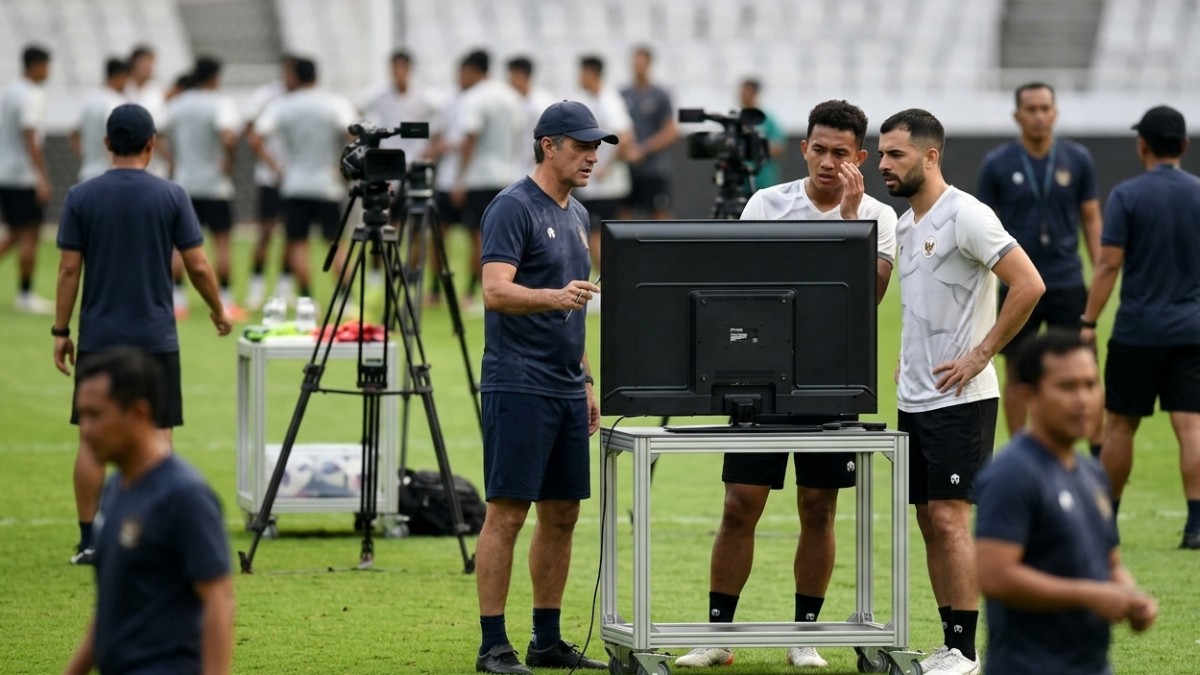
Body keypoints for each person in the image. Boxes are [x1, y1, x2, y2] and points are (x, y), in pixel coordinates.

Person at [674, 100, 896, 670]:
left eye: (840, 153)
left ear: (860, 158)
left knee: (818, 508)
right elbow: (745, 288)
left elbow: (867, 298)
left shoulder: (877, 215)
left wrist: (849, 223)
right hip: (762, 375)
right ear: (803, 148)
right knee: (739, 504)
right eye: (818, 149)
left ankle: (805, 634)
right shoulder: (766, 203)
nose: (827, 161)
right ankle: (717, 633)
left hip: (834, 379)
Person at [878, 108, 1044, 675]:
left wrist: (980, 354)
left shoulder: (968, 215)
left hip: (962, 399)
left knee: (950, 518)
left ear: (930, 155)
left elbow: (1028, 284)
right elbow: (924, 305)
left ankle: (967, 654)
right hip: (917, 396)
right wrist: (908, 356)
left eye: (895, 154)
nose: (883, 164)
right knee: (929, 519)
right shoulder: (905, 225)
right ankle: (951, 643)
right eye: (880, 154)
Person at [53, 103, 232, 565]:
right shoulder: (172, 196)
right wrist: (217, 308)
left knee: (92, 438)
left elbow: (69, 269)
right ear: (153, 144)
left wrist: (60, 330)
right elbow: (197, 264)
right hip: (155, 337)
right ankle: (150, 536)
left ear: (107, 144)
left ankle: (90, 539)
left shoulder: (80, 196)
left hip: (99, 336)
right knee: (158, 435)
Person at [473, 100, 610, 674]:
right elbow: (494, 290)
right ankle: (493, 646)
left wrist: (584, 378)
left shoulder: (577, 215)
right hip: (518, 383)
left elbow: (572, 308)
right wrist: (555, 297)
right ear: (548, 144)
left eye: (596, 147)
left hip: (562, 385)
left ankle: (546, 640)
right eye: (581, 145)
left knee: (562, 514)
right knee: (508, 512)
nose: (592, 156)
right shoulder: (512, 207)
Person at [974, 330, 1156, 675]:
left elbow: (1109, 561)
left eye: (1090, 384)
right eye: (1067, 387)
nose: (1083, 399)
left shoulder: (1092, 473)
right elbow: (995, 576)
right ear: (1029, 396)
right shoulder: (1011, 474)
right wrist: (1090, 596)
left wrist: (1130, 596)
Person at [62, 348, 235, 675]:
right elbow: (110, 608)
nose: (86, 429)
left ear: (139, 413)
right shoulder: (115, 489)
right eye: (82, 415)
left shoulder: (184, 495)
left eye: (96, 415)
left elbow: (219, 601)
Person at [1081, 105, 1200, 550]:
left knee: (1122, 426)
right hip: (1190, 330)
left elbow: (1109, 263)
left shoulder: (1128, 195)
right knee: (1191, 426)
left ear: (1142, 145)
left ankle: (1107, 524)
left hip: (1137, 331)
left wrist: (1089, 320)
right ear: (1184, 145)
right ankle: (1196, 524)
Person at [977, 82, 1105, 451]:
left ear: (1055, 113)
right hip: (1018, 283)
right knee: (1017, 367)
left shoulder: (1077, 158)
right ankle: (1022, 449)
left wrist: (1100, 272)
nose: (1038, 116)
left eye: (1044, 108)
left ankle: (1096, 449)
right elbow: (983, 224)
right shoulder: (998, 164)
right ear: (1018, 116)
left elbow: (1092, 218)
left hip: (1067, 280)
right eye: (1030, 109)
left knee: (1084, 365)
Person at [251, 57, 357, 300]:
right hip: (327, 183)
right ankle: (346, 298)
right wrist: (344, 167)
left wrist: (277, 168)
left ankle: (307, 298)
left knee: (298, 243)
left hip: (294, 183)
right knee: (336, 243)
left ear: (295, 76)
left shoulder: (282, 106)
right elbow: (353, 134)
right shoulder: (334, 103)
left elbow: (256, 137)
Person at [161, 56, 245, 321]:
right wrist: (229, 161)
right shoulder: (221, 103)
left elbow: (157, 132)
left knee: (178, 244)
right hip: (214, 184)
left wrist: (172, 160)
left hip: (184, 182)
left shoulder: (178, 104)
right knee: (222, 242)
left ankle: (177, 301)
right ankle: (227, 300)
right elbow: (229, 136)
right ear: (214, 77)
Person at [450, 49, 524, 303]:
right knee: (508, 239)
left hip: (480, 177)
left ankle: (475, 292)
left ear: (471, 70)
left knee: (479, 238)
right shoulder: (510, 96)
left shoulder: (474, 99)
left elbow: (470, 137)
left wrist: (459, 179)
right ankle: (509, 288)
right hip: (508, 176)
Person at [0, 45, 53, 314]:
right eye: (46, 66)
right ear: (36, 66)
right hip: (22, 176)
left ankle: (26, 292)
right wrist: (41, 176)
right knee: (28, 233)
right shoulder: (30, 94)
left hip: (6, 172)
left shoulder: (10, 91)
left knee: (16, 233)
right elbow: (30, 136)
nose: (48, 72)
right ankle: (25, 293)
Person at [242, 54, 297, 310]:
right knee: (265, 233)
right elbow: (252, 132)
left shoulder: (305, 98)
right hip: (270, 177)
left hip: (296, 177)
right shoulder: (267, 96)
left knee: (292, 234)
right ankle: (256, 288)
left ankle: (284, 288)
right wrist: (273, 164)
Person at [575, 55, 636, 272]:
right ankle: (610, 284)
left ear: (591, 73)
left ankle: (609, 284)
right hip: (599, 186)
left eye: (581, 73)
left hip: (606, 186)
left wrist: (604, 168)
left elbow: (625, 136)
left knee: (595, 237)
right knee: (596, 237)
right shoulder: (593, 99)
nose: (579, 78)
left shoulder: (608, 100)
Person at [620, 45, 677, 220]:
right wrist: (627, 149)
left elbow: (671, 131)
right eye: (635, 63)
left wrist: (643, 149)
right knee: (622, 214)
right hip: (628, 168)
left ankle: (663, 248)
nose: (638, 67)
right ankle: (622, 249)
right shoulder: (623, 94)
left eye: (641, 63)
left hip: (654, 169)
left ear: (649, 64)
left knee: (659, 214)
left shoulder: (659, 95)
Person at [71, 58, 131, 184]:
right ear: (121, 76)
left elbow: (74, 134)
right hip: (108, 177)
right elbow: (115, 140)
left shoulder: (90, 100)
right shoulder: (116, 102)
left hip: (87, 174)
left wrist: (87, 157)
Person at [506, 56, 556, 179]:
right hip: (518, 169)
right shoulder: (514, 102)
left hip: (538, 169)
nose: (508, 80)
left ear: (521, 75)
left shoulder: (541, 104)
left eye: (511, 75)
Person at [738, 78, 786, 190]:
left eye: (745, 92)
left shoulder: (766, 119)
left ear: (754, 93)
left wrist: (755, 145)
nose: (742, 96)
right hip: (741, 182)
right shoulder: (736, 120)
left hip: (764, 179)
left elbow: (779, 148)